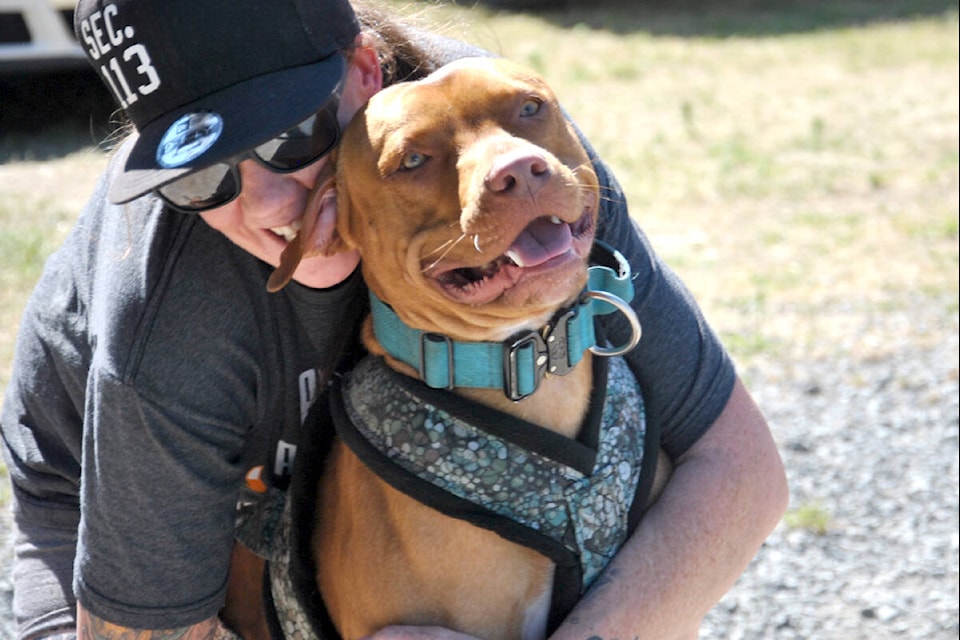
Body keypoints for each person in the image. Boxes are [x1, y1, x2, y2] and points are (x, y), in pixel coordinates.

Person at [0, 0, 788, 638]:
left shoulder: (501, 135)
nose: (271, 206)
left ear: (364, 70)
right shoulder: (169, 331)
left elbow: (740, 467)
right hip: (120, 537)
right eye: (204, 173)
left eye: (289, 132)